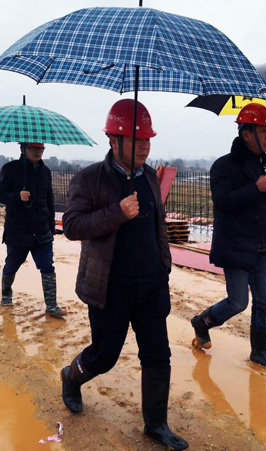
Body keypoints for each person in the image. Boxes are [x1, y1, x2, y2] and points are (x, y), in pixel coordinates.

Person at [61, 99, 188, 451]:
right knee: (104, 356)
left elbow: (158, 226)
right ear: (114, 140)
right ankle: (72, 376)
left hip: (150, 284)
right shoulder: (90, 178)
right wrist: (116, 213)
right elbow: (72, 225)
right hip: (110, 288)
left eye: (148, 139)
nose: (145, 146)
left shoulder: (149, 176)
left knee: (158, 355)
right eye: (137, 139)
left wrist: (163, 266)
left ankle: (156, 425)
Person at [190, 103, 266, 371]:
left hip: (260, 248)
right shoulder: (224, 166)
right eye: (263, 131)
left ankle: (259, 353)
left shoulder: (261, 165)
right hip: (235, 247)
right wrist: (256, 188)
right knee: (238, 302)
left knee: (264, 302)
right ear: (246, 134)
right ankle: (202, 322)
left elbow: (265, 212)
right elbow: (222, 202)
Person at [0, 142, 64, 318]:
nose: (37, 152)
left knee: (47, 267)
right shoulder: (10, 169)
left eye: (40, 149)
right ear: (22, 148)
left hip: (42, 231)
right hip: (17, 230)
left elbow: (49, 200)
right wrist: (16, 196)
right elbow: (0, 194)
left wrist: (51, 227)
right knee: (12, 265)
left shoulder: (45, 171)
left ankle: (51, 305)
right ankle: (6, 295)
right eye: (33, 148)